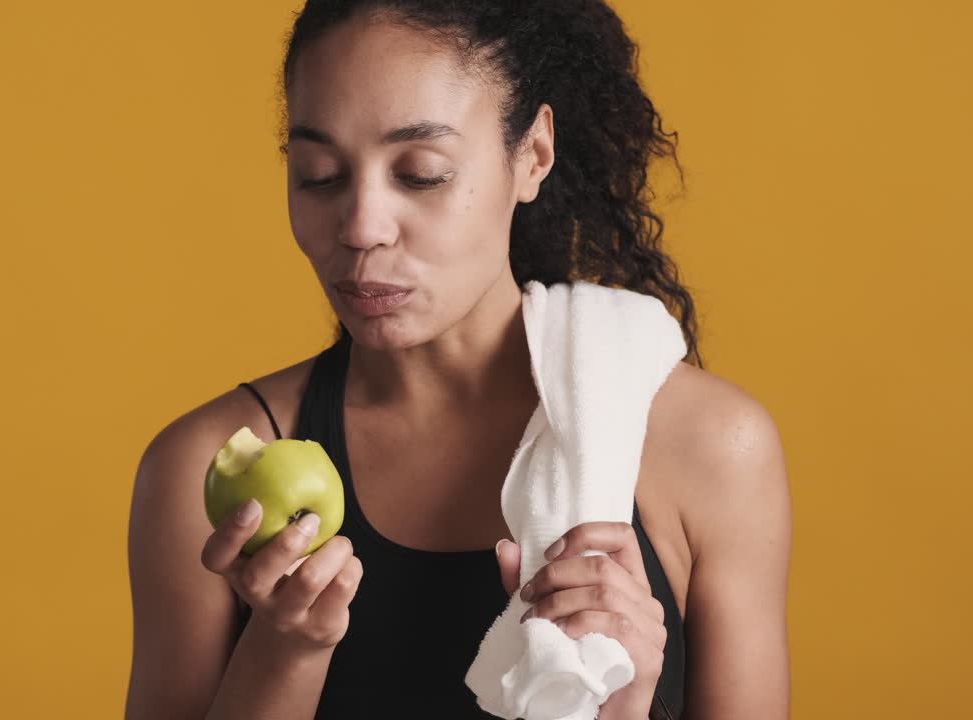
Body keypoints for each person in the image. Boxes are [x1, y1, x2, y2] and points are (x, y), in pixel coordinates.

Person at [125, 1, 792, 718]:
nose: (360, 228)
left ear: (533, 154)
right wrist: (284, 649)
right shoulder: (203, 469)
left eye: (421, 174)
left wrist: (621, 706)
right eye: (319, 175)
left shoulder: (710, 451)